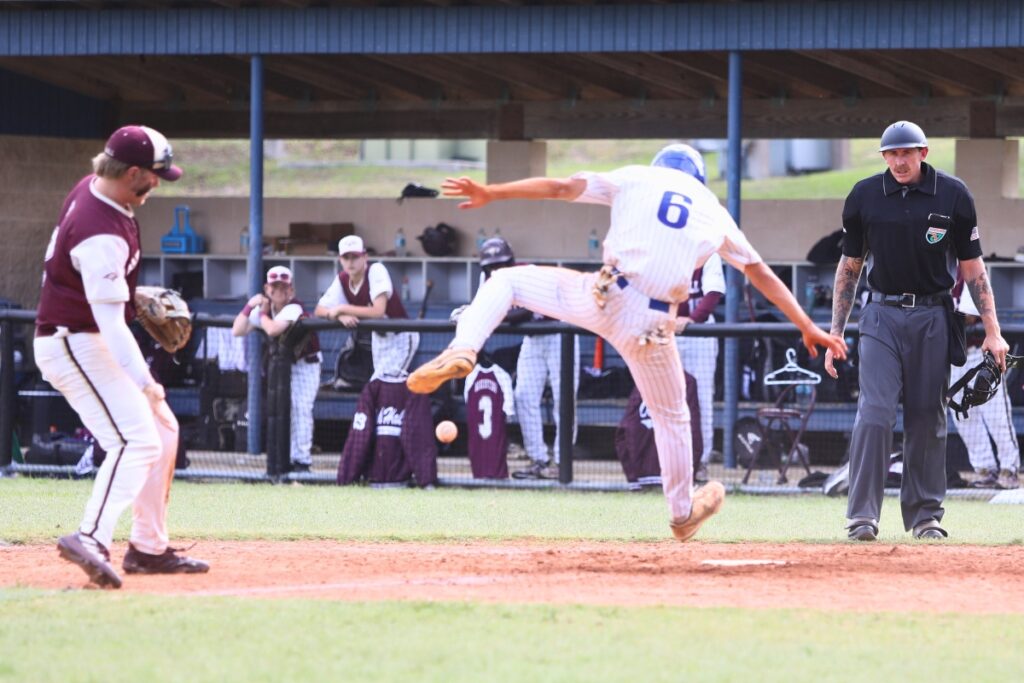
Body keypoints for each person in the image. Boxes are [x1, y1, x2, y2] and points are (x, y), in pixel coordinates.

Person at [407, 143, 847, 541]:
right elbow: (760, 274)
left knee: (506, 281)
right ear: (697, 177)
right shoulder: (711, 208)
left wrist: (492, 192)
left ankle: (464, 347)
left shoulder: (636, 176)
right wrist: (807, 325)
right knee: (672, 416)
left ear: (661, 165)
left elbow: (560, 187)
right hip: (653, 323)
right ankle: (681, 513)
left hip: (602, 292)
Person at [35, 125, 208, 589]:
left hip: (88, 333)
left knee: (163, 431)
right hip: (73, 342)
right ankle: (90, 538)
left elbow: (90, 286)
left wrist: (128, 294)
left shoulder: (98, 191)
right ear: (131, 172)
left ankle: (148, 548)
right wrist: (146, 382)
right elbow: (110, 324)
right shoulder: (100, 233)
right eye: (154, 175)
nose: (159, 182)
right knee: (137, 441)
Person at [825, 120, 1010, 541]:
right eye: (891, 154)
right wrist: (835, 333)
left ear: (923, 152)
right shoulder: (864, 196)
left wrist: (993, 332)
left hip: (932, 314)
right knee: (874, 413)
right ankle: (862, 517)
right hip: (880, 315)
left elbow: (973, 269)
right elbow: (850, 267)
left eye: (906, 152)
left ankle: (925, 516)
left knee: (929, 416)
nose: (899, 160)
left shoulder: (954, 195)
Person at [459, 237, 580, 480]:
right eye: (492, 266)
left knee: (563, 401)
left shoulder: (528, 274)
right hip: (533, 339)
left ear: (511, 262)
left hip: (559, 334)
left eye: (502, 264)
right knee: (523, 396)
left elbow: (519, 313)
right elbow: (487, 309)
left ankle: (560, 462)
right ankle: (540, 460)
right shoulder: (489, 281)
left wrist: (481, 313)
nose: (497, 270)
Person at [232, 265, 322, 472]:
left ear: (291, 290)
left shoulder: (294, 307)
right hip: (284, 367)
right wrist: (249, 307)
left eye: (283, 287)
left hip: (306, 365)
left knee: (301, 409)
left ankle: (302, 461)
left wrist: (261, 314)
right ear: (266, 288)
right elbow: (237, 330)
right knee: (283, 409)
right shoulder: (265, 309)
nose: (279, 291)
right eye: (274, 287)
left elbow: (272, 330)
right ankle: (286, 459)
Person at [315, 235, 419, 379]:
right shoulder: (342, 279)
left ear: (365, 257)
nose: (351, 262)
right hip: (378, 338)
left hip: (400, 335)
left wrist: (341, 309)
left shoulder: (376, 270)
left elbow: (378, 311)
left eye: (355, 257)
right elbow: (319, 310)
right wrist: (339, 316)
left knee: (383, 383)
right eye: (346, 257)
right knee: (380, 386)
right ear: (340, 260)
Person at [950, 276, 1019, 489]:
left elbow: (969, 316)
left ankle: (1010, 469)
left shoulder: (965, 272)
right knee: (962, 414)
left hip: (980, 353)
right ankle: (985, 468)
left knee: (996, 413)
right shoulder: (933, 270)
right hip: (952, 357)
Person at [675, 252, 724, 483]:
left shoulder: (707, 252)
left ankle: (701, 460)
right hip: (670, 331)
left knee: (702, 397)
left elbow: (713, 293)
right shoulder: (665, 249)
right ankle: (671, 460)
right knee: (669, 398)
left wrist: (693, 320)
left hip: (700, 333)